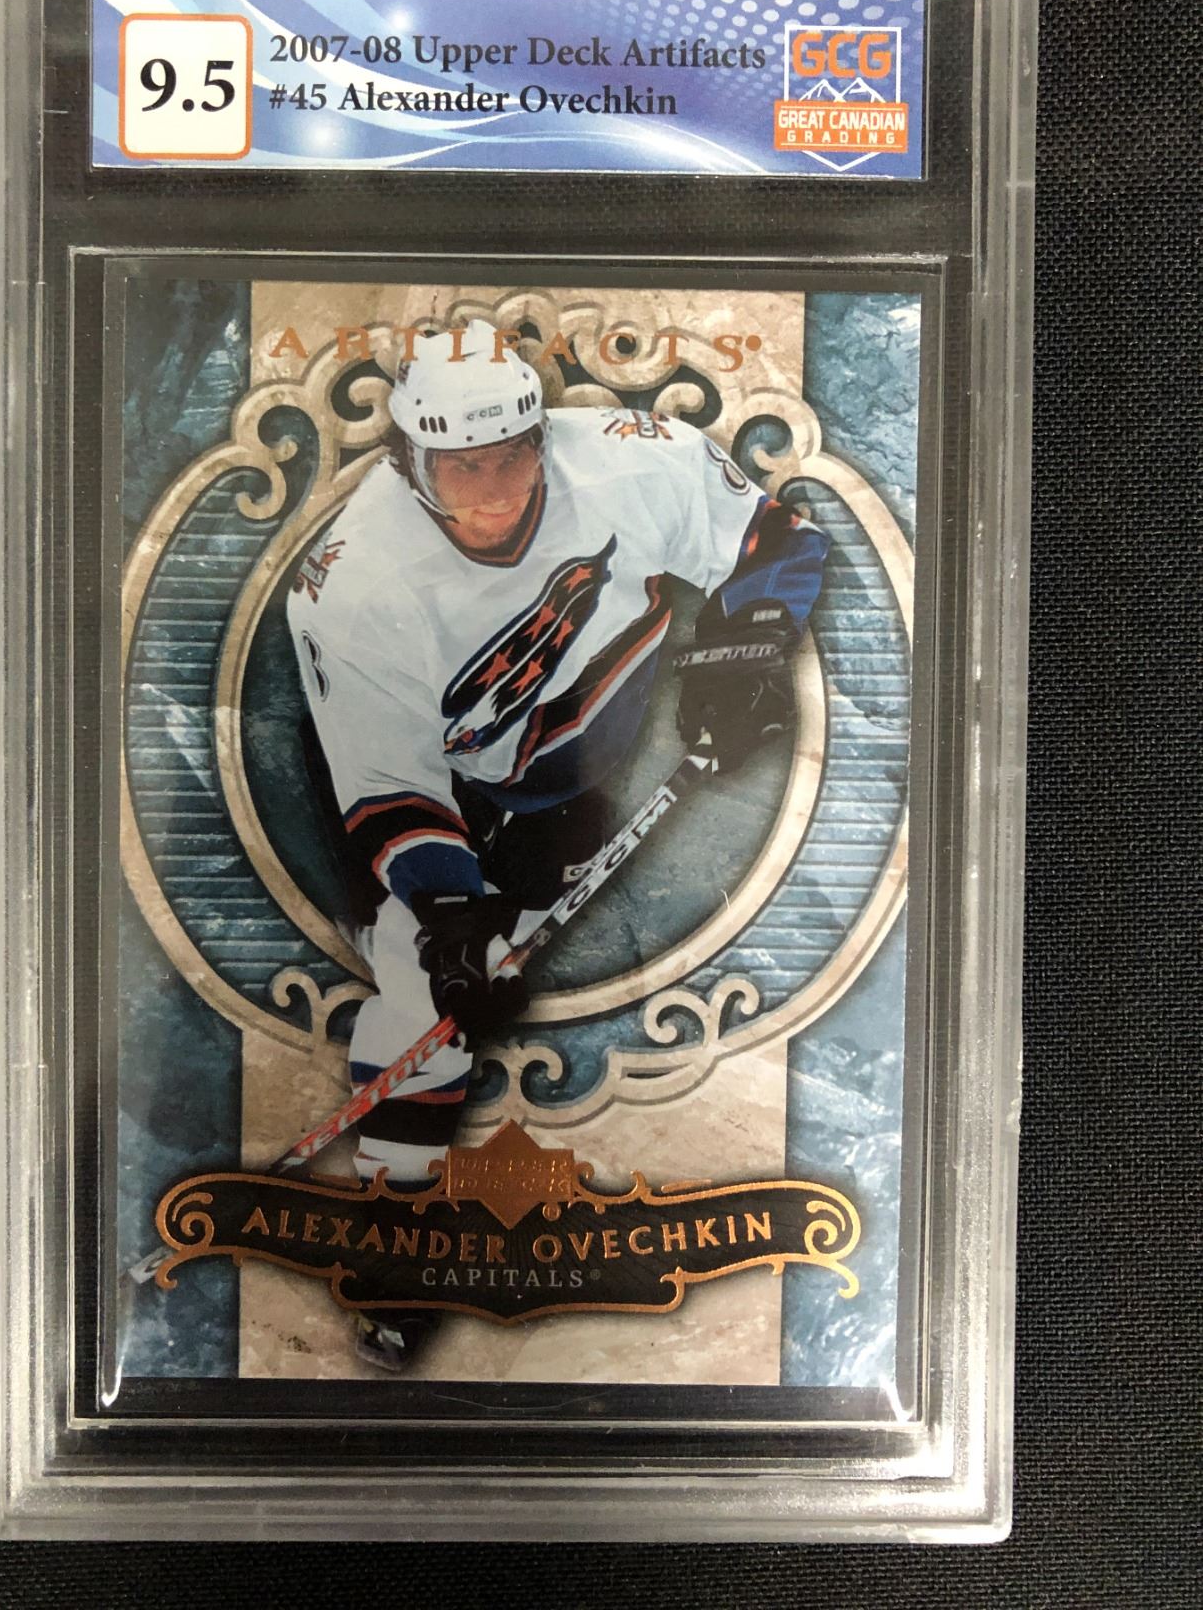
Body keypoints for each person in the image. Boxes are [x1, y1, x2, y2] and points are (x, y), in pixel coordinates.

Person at [286, 319, 828, 1368]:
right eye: (461, 468)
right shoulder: (350, 582)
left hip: (572, 768)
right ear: (408, 461)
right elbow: (390, 788)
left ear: (542, 434)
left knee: (489, 971)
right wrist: (451, 916)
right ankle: (396, 1244)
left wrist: (751, 644)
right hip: (422, 777)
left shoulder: (632, 461)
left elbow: (778, 543)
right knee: (424, 985)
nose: (494, 493)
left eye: (511, 456)